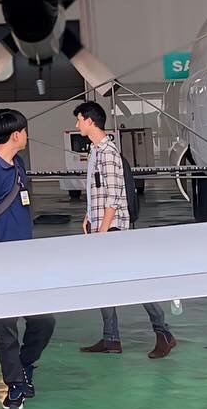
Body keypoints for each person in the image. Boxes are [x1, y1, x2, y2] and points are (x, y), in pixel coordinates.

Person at [73, 100, 176, 359]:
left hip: (112, 229)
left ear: (90, 121)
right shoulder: (96, 151)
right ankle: (111, 338)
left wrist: (103, 231)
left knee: (132, 281)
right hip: (102, 226)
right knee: (103, 282)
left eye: (79, 119)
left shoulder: (108, 153)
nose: (77, 124)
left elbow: (114, 196)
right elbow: (99, 190)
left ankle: (163, 332)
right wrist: (89, 215)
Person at [0, 108, 56, 409]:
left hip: (26, 260)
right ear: (16, 134)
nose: (27, 135)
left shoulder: (18, 164)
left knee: (44, 321)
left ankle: (24, 365)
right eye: (25, 130)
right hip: (1, 261)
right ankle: (15, 383)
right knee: (6, 327)